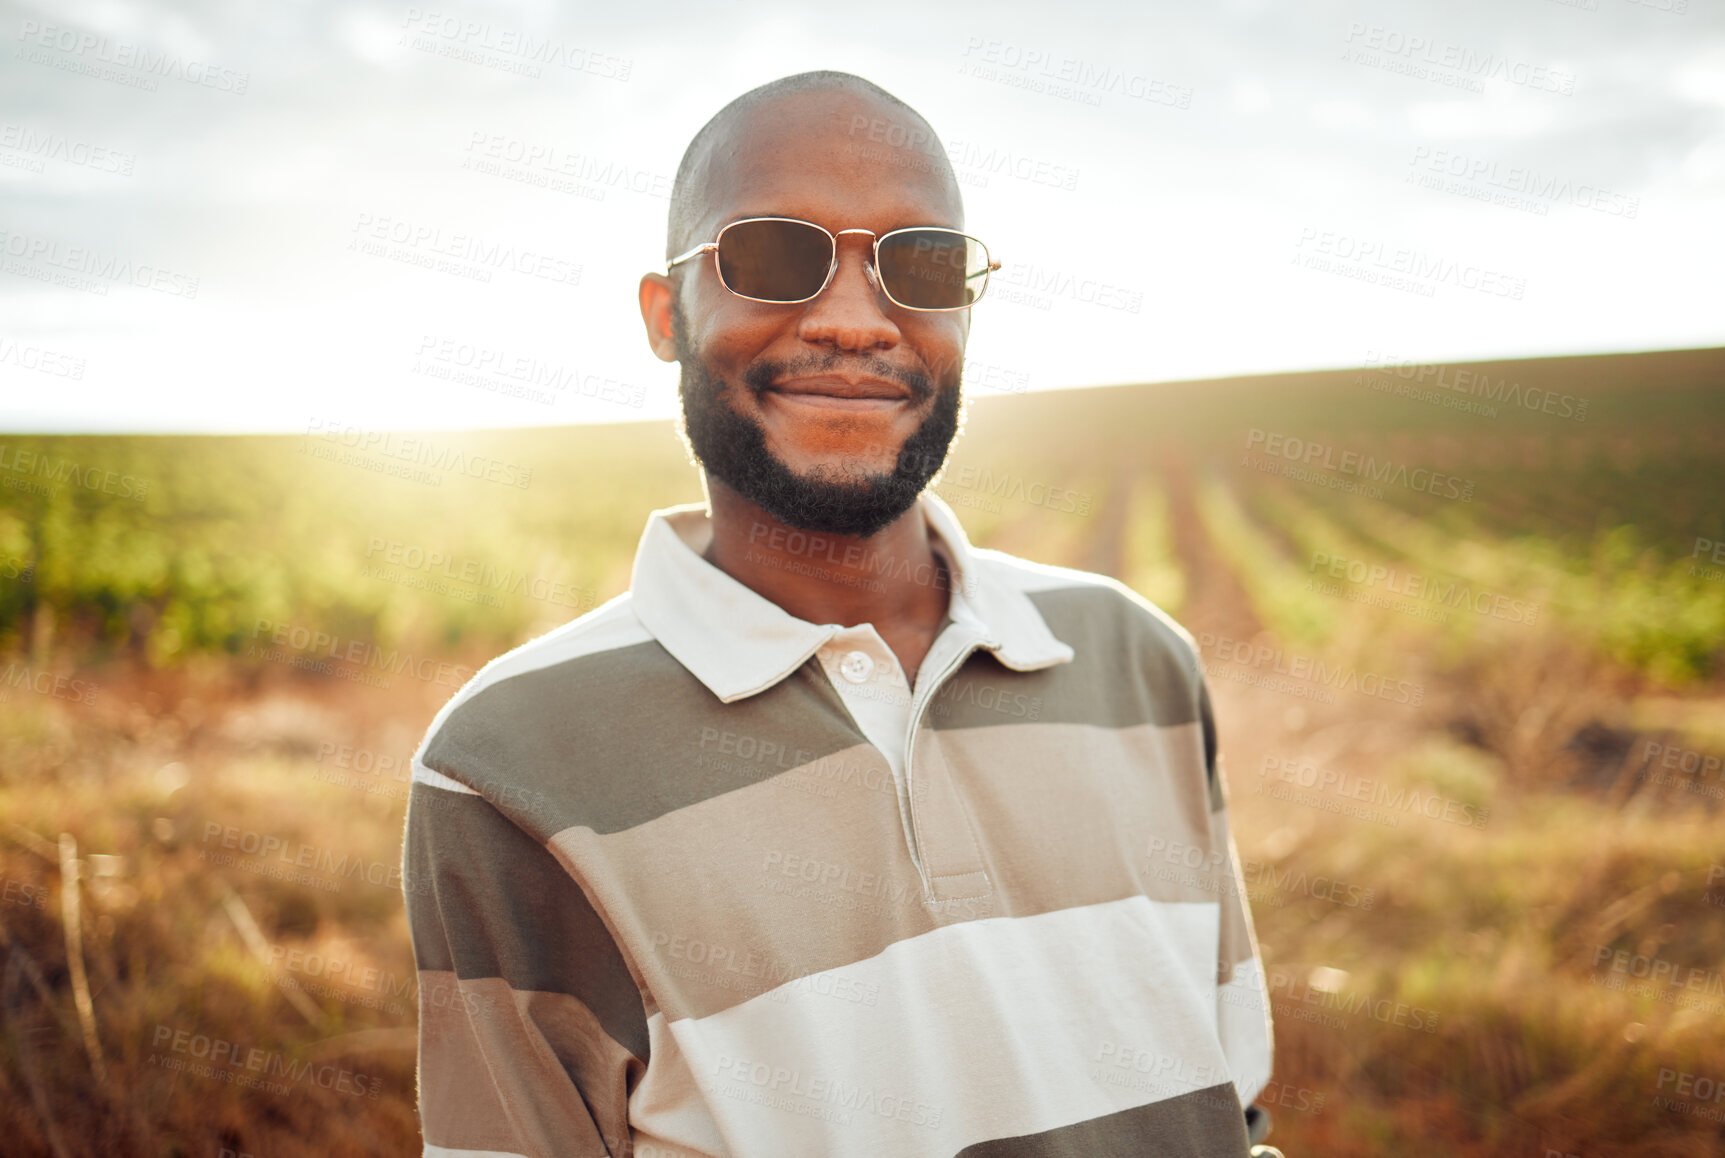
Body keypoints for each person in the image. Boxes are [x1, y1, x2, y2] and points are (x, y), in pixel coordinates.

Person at [403, 70, 1275, 1158]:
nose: (858, 320)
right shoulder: (511, 766)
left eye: (921, 263)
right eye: (774, 256)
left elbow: (1229, 1108)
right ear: (665, 317)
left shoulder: (1135, 660)